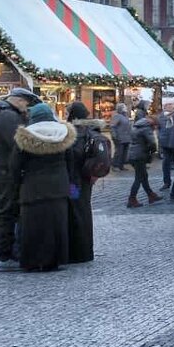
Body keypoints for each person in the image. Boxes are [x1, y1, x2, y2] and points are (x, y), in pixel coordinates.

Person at [11, 102, 76, 272]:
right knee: (57, 224)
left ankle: (32, 261)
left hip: (33, 188)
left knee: (33, 225)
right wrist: (70, 184)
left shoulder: (25, 137)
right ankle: (55, 260)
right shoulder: (64, 135)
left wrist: (17, 183)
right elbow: (71, 164)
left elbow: (15, 166)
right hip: (58, 188)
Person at [0, 87, 39, 270]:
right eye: (26, 103)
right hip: (6, 172)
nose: (27, 107)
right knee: (7, 213)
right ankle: (6, 258)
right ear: (18, 100)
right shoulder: (9, 117)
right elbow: (18, 145)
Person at [66, 101, 110, 262]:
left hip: (74, 181)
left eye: (67, 112)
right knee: (82, 210)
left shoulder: (76, 132)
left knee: (76, 211)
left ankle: (79, 252)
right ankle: (84, 250)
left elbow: (73, 157)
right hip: (84, 179)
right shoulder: (91, 130)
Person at [127, 109, 161, 208]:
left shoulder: (137, 125)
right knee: (139, 178)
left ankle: (151, 195)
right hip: (139, 155)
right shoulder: (147, 128)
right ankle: (132, 199)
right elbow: (152, 143)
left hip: (134, 154)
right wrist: (152, 152)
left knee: (143, 176)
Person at [157, 101, 174, 190]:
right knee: (166, 163)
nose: (169, 106)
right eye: (167, 105)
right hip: (166, 143)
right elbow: (159, 129)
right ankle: (166, 182)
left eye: (171, 104)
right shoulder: (162, 116)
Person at [110, 101, 133, 171]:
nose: (125, 108)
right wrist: (114, 135)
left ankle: (121, 165)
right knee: (119, 152)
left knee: (124, 152)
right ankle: (115, 165)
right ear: (120, 108)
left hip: (126, 138)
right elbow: (113, 126)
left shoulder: (125, 116)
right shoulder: (117, 116)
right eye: (124, 107)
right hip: (119, 137)